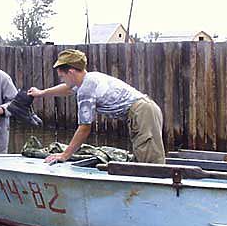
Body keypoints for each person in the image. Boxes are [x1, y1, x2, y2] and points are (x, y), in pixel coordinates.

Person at [28, 49, 165, 165]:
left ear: (71, 72)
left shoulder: (86, 90)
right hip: (143, 110)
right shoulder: (89, 78)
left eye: (62, 76)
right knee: (143, 157)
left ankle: (160, 194)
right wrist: (41, 93)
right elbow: (68, 89)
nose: (62, 79)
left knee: (151, 165)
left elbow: (84, 128)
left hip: (142, 113)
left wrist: (65, 155)